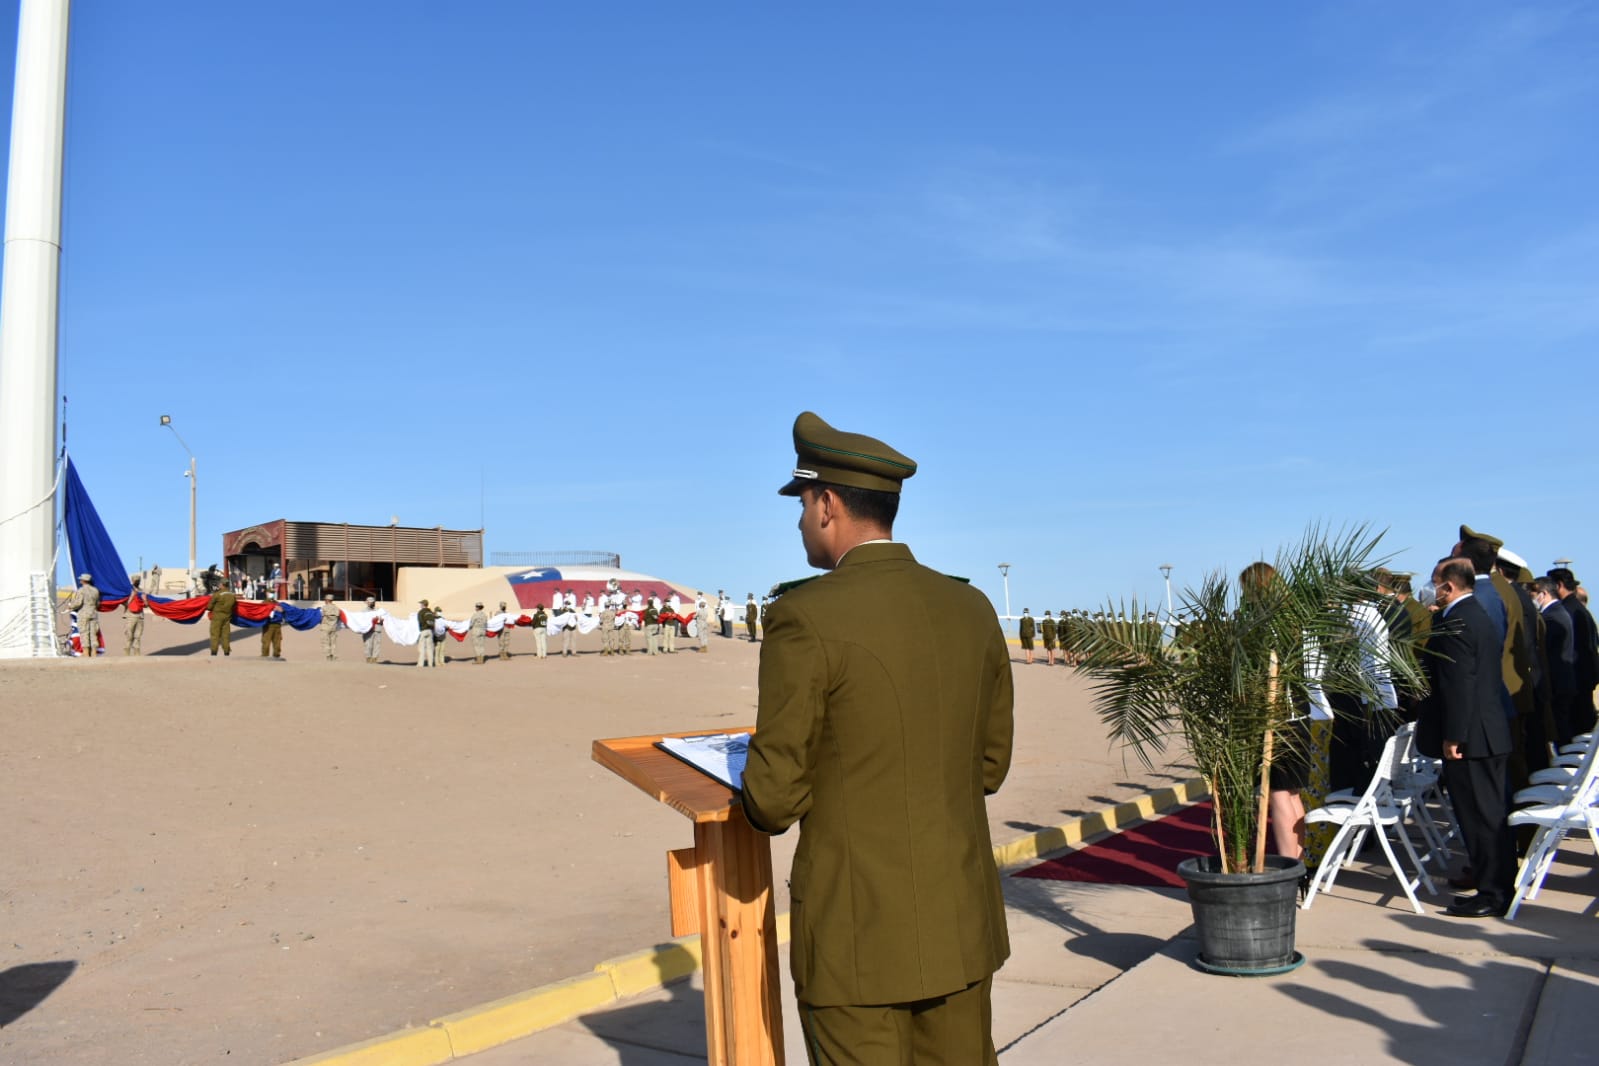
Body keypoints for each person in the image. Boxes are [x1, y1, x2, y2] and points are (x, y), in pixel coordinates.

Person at [741, 411, 1013, 1063]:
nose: (803, 521)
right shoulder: (969, 608)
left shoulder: (803, 617)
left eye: (803, 505)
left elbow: (773, 798)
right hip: (958, 927)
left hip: (855, 938)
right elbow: (989, 766)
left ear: (827, 503)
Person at [1417, 557, 1515, 917]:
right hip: (1486, 731)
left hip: (1473, 736)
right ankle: (1498, 885)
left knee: (1480, 817)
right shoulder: (1473, 613)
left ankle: (1492, 893)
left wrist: (1454, 735)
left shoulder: (1458, 620)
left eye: (1435, 581)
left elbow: (1460, 684)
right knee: (1489, 814)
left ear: (1449, 586)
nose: (1431, 588)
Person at [1549, 568, 1598, 737]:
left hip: (1575, 680)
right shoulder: (1580, 610)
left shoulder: (1566, 611)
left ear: (1559, 585)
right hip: (1584, 679)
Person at [1532, 578, 1576, 745]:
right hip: (1563, 681)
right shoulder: (1559, 612)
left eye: (1533, 594)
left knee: (1560, 729)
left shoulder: (1551, 617)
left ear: (1543, 594)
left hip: (1558, 682)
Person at [64, 573, 101, 658]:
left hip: (84, 613)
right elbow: (98, 603)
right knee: (93, 633)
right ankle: (94, 652)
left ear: (83, 581)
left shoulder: (81, 590)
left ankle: (86, 652)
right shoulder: (95, 590)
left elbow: (78, 603)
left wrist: (70, 606)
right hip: (93, 613)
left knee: (84, 632)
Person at [208, 583, 238, 656]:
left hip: (217, 617)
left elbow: (209, 607)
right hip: (227, 617)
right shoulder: (232, 595)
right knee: (226, 635)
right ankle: (226, 652)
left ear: (221, 585)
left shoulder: (217, 594)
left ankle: (214, 652)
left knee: (215, 635)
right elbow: (234, 606)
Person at [124, 575, 148, 656]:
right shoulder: (128, 591)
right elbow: (125, 603)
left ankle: (137, 654)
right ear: (132, 581)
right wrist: (132, 595)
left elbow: (146, 605)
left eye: (138, 580)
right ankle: (127, 653)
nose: (137, 581)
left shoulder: (142, 591)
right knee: (129, 635)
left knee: (138, 636)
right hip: (131, 616)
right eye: (136, 580)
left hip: (140, 616)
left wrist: (144, 600)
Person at [261, 590, 284, 658]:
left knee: (277, 642)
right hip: (268, 625)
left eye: (273, 593)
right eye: (270, 593)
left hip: (277, 625)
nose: (272, 594)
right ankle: (265, 655)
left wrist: (281, 610)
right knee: (266, 642)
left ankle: (276, 655)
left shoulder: (277, 603)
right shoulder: (264, 603)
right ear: (267, 593)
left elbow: (282, 611)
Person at [363, 596, 384, 663]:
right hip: (368, 631)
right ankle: (368, 657)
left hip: (377, 629)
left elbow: (383, 620)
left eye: (372, 602)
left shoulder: (378, 611)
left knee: (377, 645)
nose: (371, 604)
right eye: (369, 602)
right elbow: (361, 620)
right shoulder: (363, 611)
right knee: (368, 645)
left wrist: (381, 620)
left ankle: (375, 658)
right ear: (367, 603)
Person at [319, 594, 340, 660]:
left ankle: (328, 655)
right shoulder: (336, 608)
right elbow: (338, 617)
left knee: (325, 642)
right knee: (333, 642)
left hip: (325, 627)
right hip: (333, 627)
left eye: (325, 600)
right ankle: (333, 655)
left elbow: (320, 617)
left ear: (327, 600)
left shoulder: (324, 608)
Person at [416, 599, 435, 667]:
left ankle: (421, 664)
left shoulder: (421, 612)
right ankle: (430, 664)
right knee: (430, 648)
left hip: (423, 631)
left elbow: (420, 621)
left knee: (422, 648)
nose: (420, 605)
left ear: (423, 605)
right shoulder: (431, 612)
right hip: (430, 631)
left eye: (421, 604)